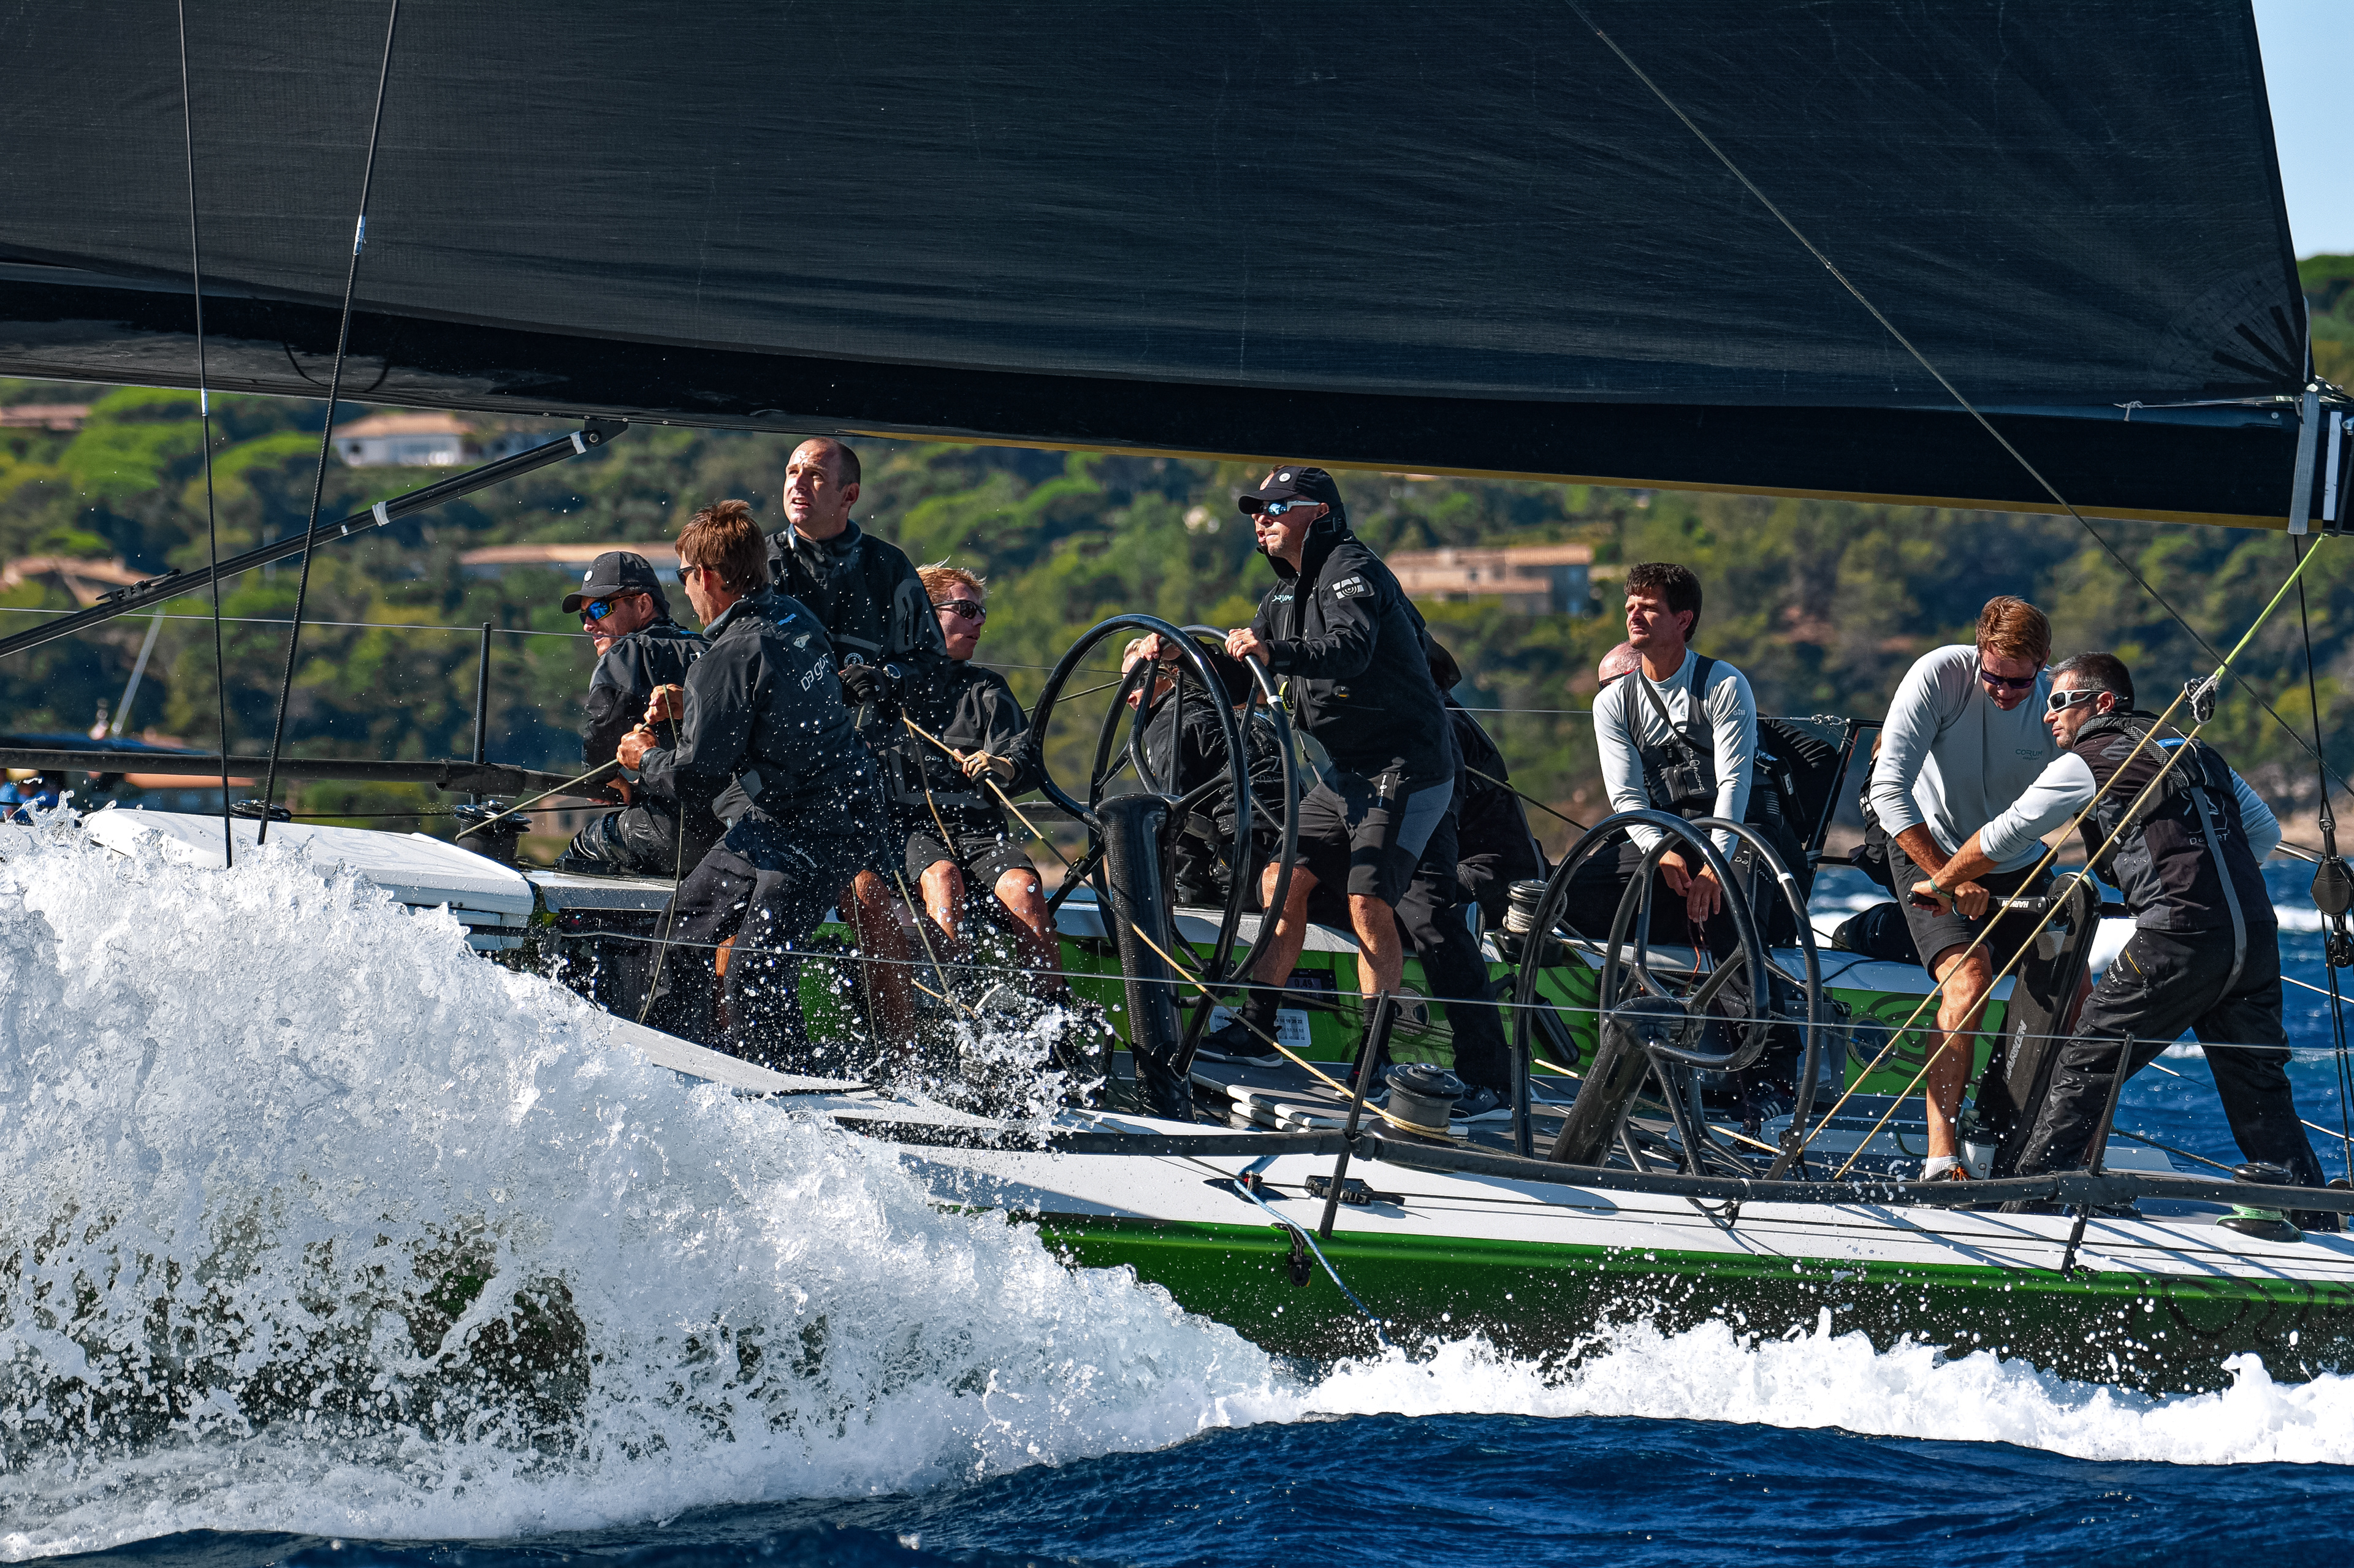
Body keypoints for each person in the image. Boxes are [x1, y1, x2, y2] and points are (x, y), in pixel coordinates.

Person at [1912, 653, 2333, 1222]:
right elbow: (2264, 832)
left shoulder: (2092, 757)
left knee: (2085, 1063)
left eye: (2060, 702)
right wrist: (2210, 883)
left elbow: (2008, 834)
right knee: (2258, 1083)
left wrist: (1943, 880)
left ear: (2102, 704)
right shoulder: (2195, 748)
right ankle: (2312, 1218)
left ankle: (2026, 1206)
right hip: (2254, 934)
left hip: (2179, 936)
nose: (2049, 717)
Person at [1199, 465, 1459, 1075]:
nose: (1260, 518)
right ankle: (1257, 1029)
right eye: (1255, 508)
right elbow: (1245, 679)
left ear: (1317, 512)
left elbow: (1350, 649)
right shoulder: (1281, 596)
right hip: (1345, 770)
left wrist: (1275, 652)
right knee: (1280, 883)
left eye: (1276, 506)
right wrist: (1183, 663)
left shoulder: (1353, 569)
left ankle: (1374, 1057)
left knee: (1368, 899)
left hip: (1406, 763)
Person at [618, 500, 896, 1067]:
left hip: (818, 828)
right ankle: (684, 1063)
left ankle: (796, 1103)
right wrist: (694, 708)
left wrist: (645, 756)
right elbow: (777, 695)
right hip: (816, 810)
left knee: (755, 972)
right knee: (684, 930)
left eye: (684, 577)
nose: (687, 592)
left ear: (709, 578)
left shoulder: (725, 659)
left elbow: (698, 777)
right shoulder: (793, 615)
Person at [1868, 595, 2059, 1179]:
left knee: (2073, 998)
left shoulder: (2057, 701)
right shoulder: (1940, 674)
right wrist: (1948, 881)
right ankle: (1941, 1157)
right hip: (1929, 846)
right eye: (1995, 678)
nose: (2005, 693)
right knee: (1969, 979)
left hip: (2015, 854)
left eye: (2020, 685)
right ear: (1980, 653)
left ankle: (2006, 1130)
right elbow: (1887, 791)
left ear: (2044, 664)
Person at [1563, 563, 1758, 948]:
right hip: (1670, 833)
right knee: (1568, 897)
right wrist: (1659, 854)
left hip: (1738, 833)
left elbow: (1735, 782)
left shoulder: (1724, 682)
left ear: (1683, 619)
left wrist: (1715, 866)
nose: (1634, 616)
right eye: (1629, 607)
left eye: (1648, 607)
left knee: (1729, 912)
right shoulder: (1612, 702)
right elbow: (1627, 798)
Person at [896, 564, 1062, 988]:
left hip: (979, 834)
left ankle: (1053, 1009)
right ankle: (957, 1007)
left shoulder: (987, 687)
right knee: (944, 879)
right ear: (928, 613)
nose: (980, 621)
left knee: (1025, 890)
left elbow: (1023, 754)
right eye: (967, 610)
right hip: (911, 834)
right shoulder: (887, 685)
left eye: (981, 612)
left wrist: (1003, 765)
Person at [557, 550, 712, 876]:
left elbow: (605, 725)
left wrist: (602, 776)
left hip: (670, 831)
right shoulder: (712, 648)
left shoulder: (627, 651)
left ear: (642, 605)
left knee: (580, 851)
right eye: (583, 615)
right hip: (730, 834)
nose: (588, 625)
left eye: (600, 608)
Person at [1116, 633, 1289, 910]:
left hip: (1245, 843)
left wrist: (1185, 901)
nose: (1128, 697)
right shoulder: (1218, 709)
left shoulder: (1170, 722)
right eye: (1123, 686)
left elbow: (1177, 815)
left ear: (1171, 674)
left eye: (1137, 682)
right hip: (1289, 841)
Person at [1428, 640, 1544, 931]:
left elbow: (1434, 829)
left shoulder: (1443, 727)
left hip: (1496, 879)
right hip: (1493, 872)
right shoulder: (1443, 717)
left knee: (1380, 893)